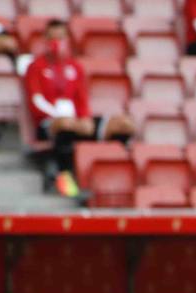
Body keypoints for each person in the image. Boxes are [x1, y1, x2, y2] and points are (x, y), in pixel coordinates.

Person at [23, 19, 134, 199]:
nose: (57, 43)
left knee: (123, 125)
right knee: (65, 126)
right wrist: (59, 117)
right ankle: (64, 176)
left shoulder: (75, 68)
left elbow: (81, 99)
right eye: (53, 38)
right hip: (48, 123)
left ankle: (108, 179)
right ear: (45, 40)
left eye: (61, 38)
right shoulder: (36, 67)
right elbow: (36, 101)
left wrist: (84, 119)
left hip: (75, 121)